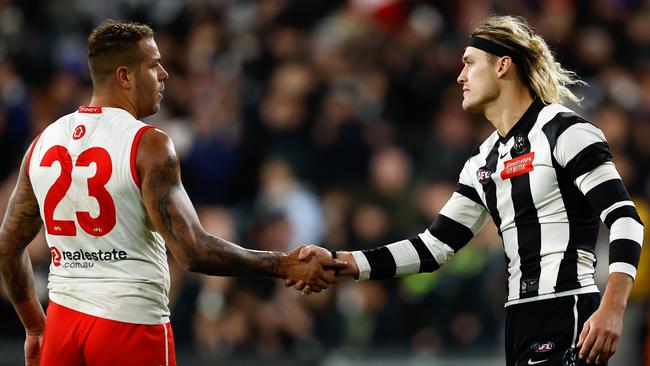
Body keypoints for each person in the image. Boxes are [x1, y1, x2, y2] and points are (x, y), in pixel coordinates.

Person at [290, 15, 643, 366]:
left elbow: (625, 218)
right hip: (518, 321)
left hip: (569, 307)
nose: (460, 76)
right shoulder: (482, 161)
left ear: (503, 65)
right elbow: (433, 248)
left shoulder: (565, 130)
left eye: (470, 64)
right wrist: (343, 261)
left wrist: (613, 307)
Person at [0, 19, 347, 366]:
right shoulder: (149, 144)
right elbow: (193, 251)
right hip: (128, 323)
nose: (164, 74)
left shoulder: (43, 143)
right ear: (125, 77)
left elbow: (7, 247)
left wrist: (34, 326)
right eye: (153, 65)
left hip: (63, 325)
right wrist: (283, 263)